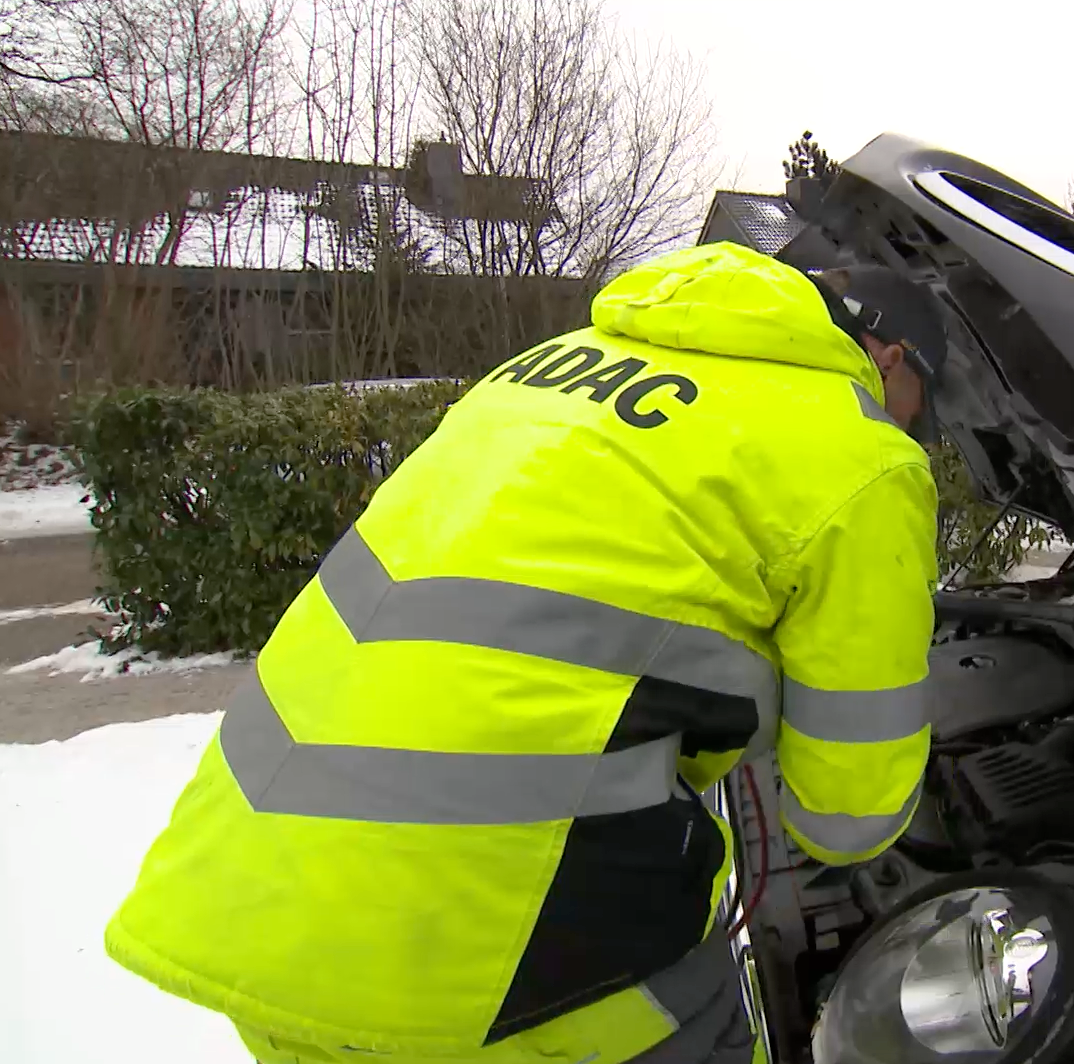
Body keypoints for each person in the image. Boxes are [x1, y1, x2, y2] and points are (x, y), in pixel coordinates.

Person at [102, 241, 949, 1064]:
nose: (914, 429)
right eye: (922, 405)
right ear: (890, 357)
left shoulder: (539, 371)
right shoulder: (859, 451)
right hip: (508, 970)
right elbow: (845, 820)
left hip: (258, 905)